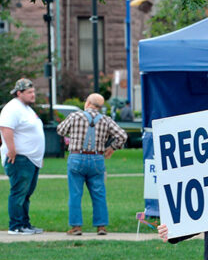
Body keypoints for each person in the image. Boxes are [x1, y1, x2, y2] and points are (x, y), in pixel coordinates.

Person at [56, 93, 127, 235]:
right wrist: (112, 148)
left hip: (76, 157)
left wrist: (75, 135)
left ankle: (76, 227)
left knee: (75, 194)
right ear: (100, 107)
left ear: (87, 102)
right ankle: (101, 226)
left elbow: (60, 130)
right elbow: (122, 136)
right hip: (97, 158)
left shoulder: (75, 116)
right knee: (99, 193)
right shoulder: (106, 120)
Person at [0, 79, 45, 235]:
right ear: (19, 93)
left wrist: (39, 155)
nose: (33, 95)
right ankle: (16, 226)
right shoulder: (12, 108)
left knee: (26, 193)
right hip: (19, 158)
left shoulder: (26, 109)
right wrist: (11, 150)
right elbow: (6, 129)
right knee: (19, 192)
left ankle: (25, 224)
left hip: (31, 159)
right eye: (29, 92)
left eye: (33, 92)